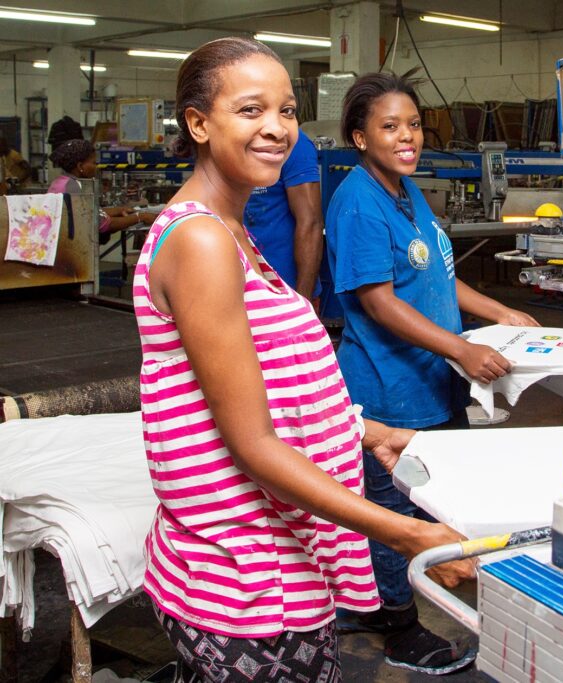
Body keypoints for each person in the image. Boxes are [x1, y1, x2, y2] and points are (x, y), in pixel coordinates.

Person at [133, 37, 474, 682]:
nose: (277, 129)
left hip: (280, 564)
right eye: (251, 110)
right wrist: (405, 535)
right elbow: (252, 443)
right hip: (243, 581)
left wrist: (369, 433)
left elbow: (278, 391)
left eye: (287, 111)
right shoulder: (201, 240)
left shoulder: (234, 234)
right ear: (199, 123)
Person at [324, 71, 540, 674]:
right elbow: (378, 302)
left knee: (444, 497)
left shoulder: (407, 191)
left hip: (434, 384)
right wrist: (463, 350)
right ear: (359, 137)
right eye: (389, 126)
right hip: (389, 389)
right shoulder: (359, 202)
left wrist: (499, 312)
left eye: (413, 124)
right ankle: (396, 624)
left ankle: (413, 594)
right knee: (394, 513)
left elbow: (438, 276)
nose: (406, 136)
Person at [243, 128, 323, 301]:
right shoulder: (232, 141)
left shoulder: (295, 144)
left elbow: (310, 222)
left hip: (285, 287)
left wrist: (303, 302)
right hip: (240, 285)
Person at [48, 139, 158, 236]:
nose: (96, 167)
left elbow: (88, 212)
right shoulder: (73, 186)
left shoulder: (60, 182)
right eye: (94, 163)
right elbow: (101, 224)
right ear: (80, 166)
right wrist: (139, 217)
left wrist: (119, 210)